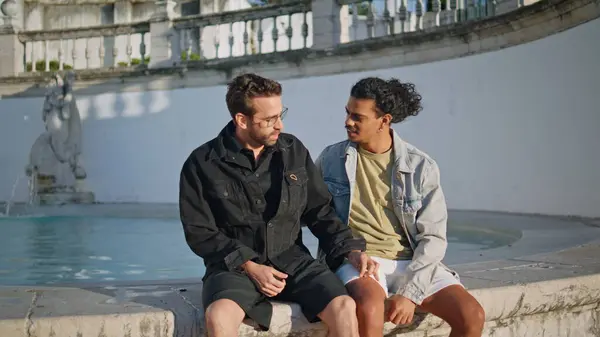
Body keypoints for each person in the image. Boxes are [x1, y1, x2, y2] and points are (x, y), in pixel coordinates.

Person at [179, 73, 377, 337]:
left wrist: (350, 250)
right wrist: (249, 265)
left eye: (280, 114)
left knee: (344, 306)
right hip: (234, 267)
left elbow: (320, 211)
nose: (279, 125)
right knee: (218, 317)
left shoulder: (293, 150)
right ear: (241, 120)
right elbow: (199, 232)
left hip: (293, 260)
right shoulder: (202, 163)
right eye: (269, 119)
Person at [315, 77, 486, 337]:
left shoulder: (421, 167)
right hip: (361, 260)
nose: (348, 122)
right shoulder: (332, 158)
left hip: (412, 261)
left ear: (384, 120)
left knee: (472, 315)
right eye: (348, 113)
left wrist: (410, 293)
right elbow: (311, 212)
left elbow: (433, 238)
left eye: (357, 117)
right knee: (369, 307)